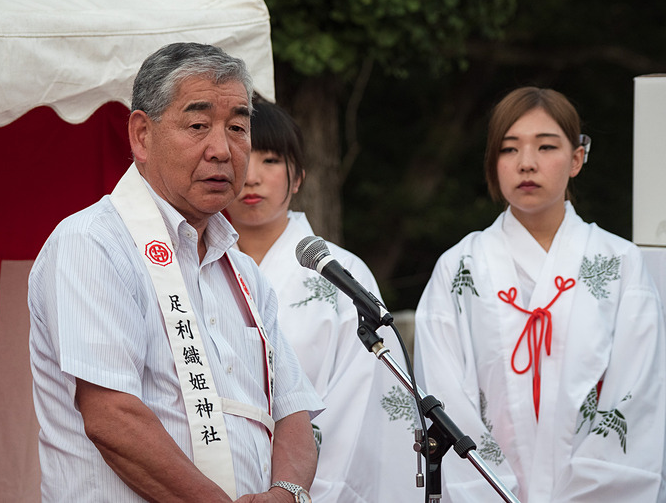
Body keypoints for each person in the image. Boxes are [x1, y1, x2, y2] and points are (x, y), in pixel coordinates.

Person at [28, 42, 324, 503]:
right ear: (142, 135)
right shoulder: (93, 243)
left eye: (238, 128)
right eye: (198, 125)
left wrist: (286, 494)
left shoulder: (244, 271)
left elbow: (292, 414)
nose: (222, 150)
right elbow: (113, 418)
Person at [413, 86, 666, 502]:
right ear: (493, 164)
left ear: (577, 158)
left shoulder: (621, 264)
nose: (526, 163)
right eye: (509, 150)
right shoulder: (459, 267)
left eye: (546, 147)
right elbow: (443, 393)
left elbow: (635, 395)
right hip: (487, 490)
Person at [225, 100, 423, 502]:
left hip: (318, 481)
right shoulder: (193, 265)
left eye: (271, 160)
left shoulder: (342, 275)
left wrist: (298, 489)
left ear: (298, 177)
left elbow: (361, 401)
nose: (253, 177)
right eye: (242, 158)